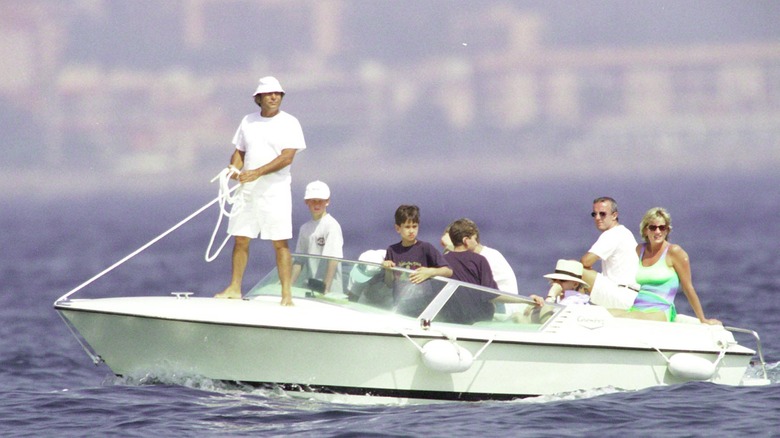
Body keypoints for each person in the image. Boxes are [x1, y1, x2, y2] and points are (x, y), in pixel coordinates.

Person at [215, 76, 306, 306]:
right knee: (241, 237)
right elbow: (239, 152)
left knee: (279, 241)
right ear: (259, 98)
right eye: (269, 94)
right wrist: (234, 170)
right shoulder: (248, 121)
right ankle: (235, 287)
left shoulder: (290, 122)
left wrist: (256, 172)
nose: (274, 97)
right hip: (247, 191)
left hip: (275, 191)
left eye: (278, 93)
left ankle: (286, 295)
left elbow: (287, 157)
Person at [620, 207, 720, 324]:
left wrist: (702, 319)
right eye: (653, 227)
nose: (658, 231)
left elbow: (688, 288)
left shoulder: (674, 252)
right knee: (604, 313)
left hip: (661, 312)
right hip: (637, 308)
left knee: (631, 318)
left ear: (667, 230)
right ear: (646, 230)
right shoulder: (640, 250)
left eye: (662, 227)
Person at [383, 205, 452, 315]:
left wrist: (430, 272)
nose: (411, 231)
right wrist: (387, 269)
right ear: (398, 228)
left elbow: (448, 271)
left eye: (414, 226)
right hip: (400, 305)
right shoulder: (392, 250)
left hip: (424, 306)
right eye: (407, 227)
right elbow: (389, 284)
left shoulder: (425, 248)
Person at [579, 196, 639, 310]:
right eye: (594, 214)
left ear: (614, 215)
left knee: (573, 268)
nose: (597, 218)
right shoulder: (624, 232)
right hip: (632, 296)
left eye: (602, 214)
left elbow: (585, 261)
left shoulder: (612, 234)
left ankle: (559, 301)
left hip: (621, 295)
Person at [290, 180, 344, 295]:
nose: (317, 204)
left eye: (321, 201)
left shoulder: (332, 226)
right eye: (313, 201)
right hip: (310, 288)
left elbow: (333, 259)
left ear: (327, 201)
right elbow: (299, 261)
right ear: (306, 202)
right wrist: (288, 286)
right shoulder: (304, 228)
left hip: (329, 293)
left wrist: (325, 289)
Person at [439, 218, 498, 324]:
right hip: (477, 320)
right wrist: (524, 301)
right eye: (475, 239)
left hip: (451, 319)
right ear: (466, 240)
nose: (477, 243)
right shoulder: (480, 260)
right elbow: (491, 295)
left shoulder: (441, 261)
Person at [441, 221, 518, 294]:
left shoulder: (487, 258)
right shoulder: (478, 258)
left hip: (500, 304)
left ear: (465, 241)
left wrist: (449, 247)